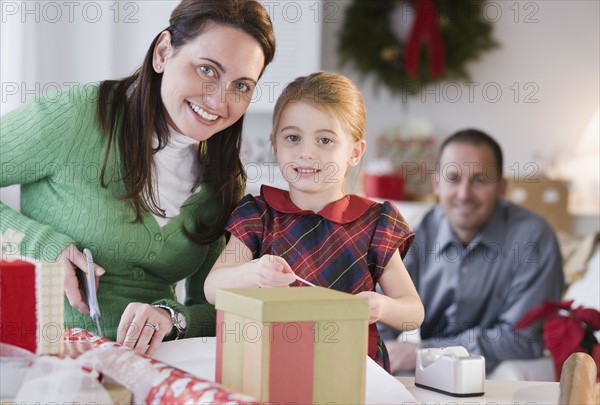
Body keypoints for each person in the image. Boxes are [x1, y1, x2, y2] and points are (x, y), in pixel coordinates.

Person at [0, 0, 276, 355]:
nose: (219, 100)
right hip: (41, 360)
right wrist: (43, 246)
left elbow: (216, 308)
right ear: (163, 52)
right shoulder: (78, 117)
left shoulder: (223, 178)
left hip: (152, 370)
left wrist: (171, 318)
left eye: (241, 86)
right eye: (207, 70)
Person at [203, 71, 424, 372]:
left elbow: (413, 312)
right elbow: (213, 289)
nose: (306, 153)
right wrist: (254, 273)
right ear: (275, 145)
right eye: (292, 138)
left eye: (325, 140)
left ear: (355, 152)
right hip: (271, 367)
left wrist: (380, 306)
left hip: (354, 372)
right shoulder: (257, 215)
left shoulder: (376, 223)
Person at [380, 129, 565, 374]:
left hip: (498, 370)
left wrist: (428, 353)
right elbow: (383, 317)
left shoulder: (533, 238)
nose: (464, 194)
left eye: (479, 180)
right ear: (437, 184)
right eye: (453, 178)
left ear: (502, 188)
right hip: (430, 371)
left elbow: (523, 338)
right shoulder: (414, 236)